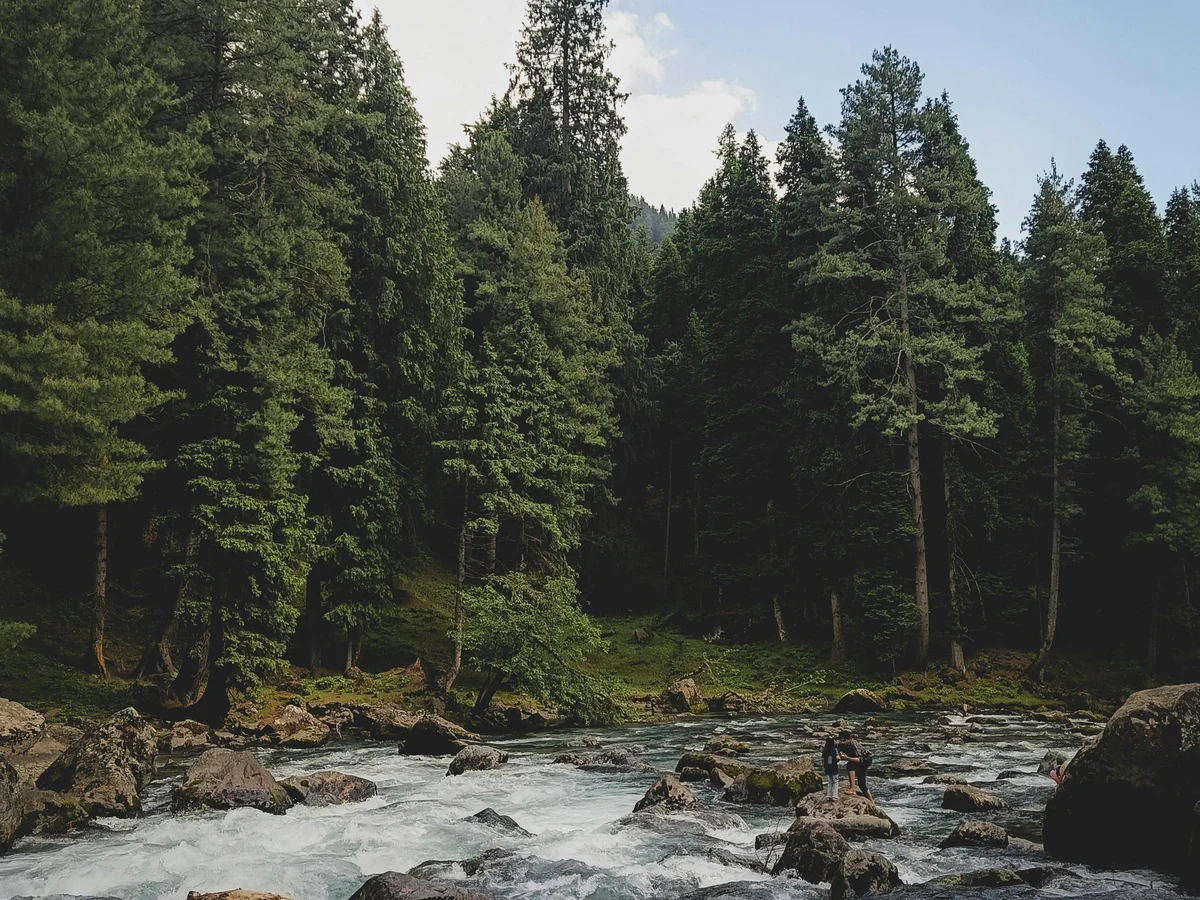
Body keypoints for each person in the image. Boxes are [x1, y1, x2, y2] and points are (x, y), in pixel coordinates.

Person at [838, 730, 873, 802]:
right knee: (861, 784)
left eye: (844, 740)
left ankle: (853, 789)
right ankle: (871, 802)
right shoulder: (841, 744)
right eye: (841, 740)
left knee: (850, 766)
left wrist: (847, 758)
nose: (842, 742)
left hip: (866, 759)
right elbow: (839, 753)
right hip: (856, 759)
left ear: (849, 739)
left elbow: (860, 760)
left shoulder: (854, 744)